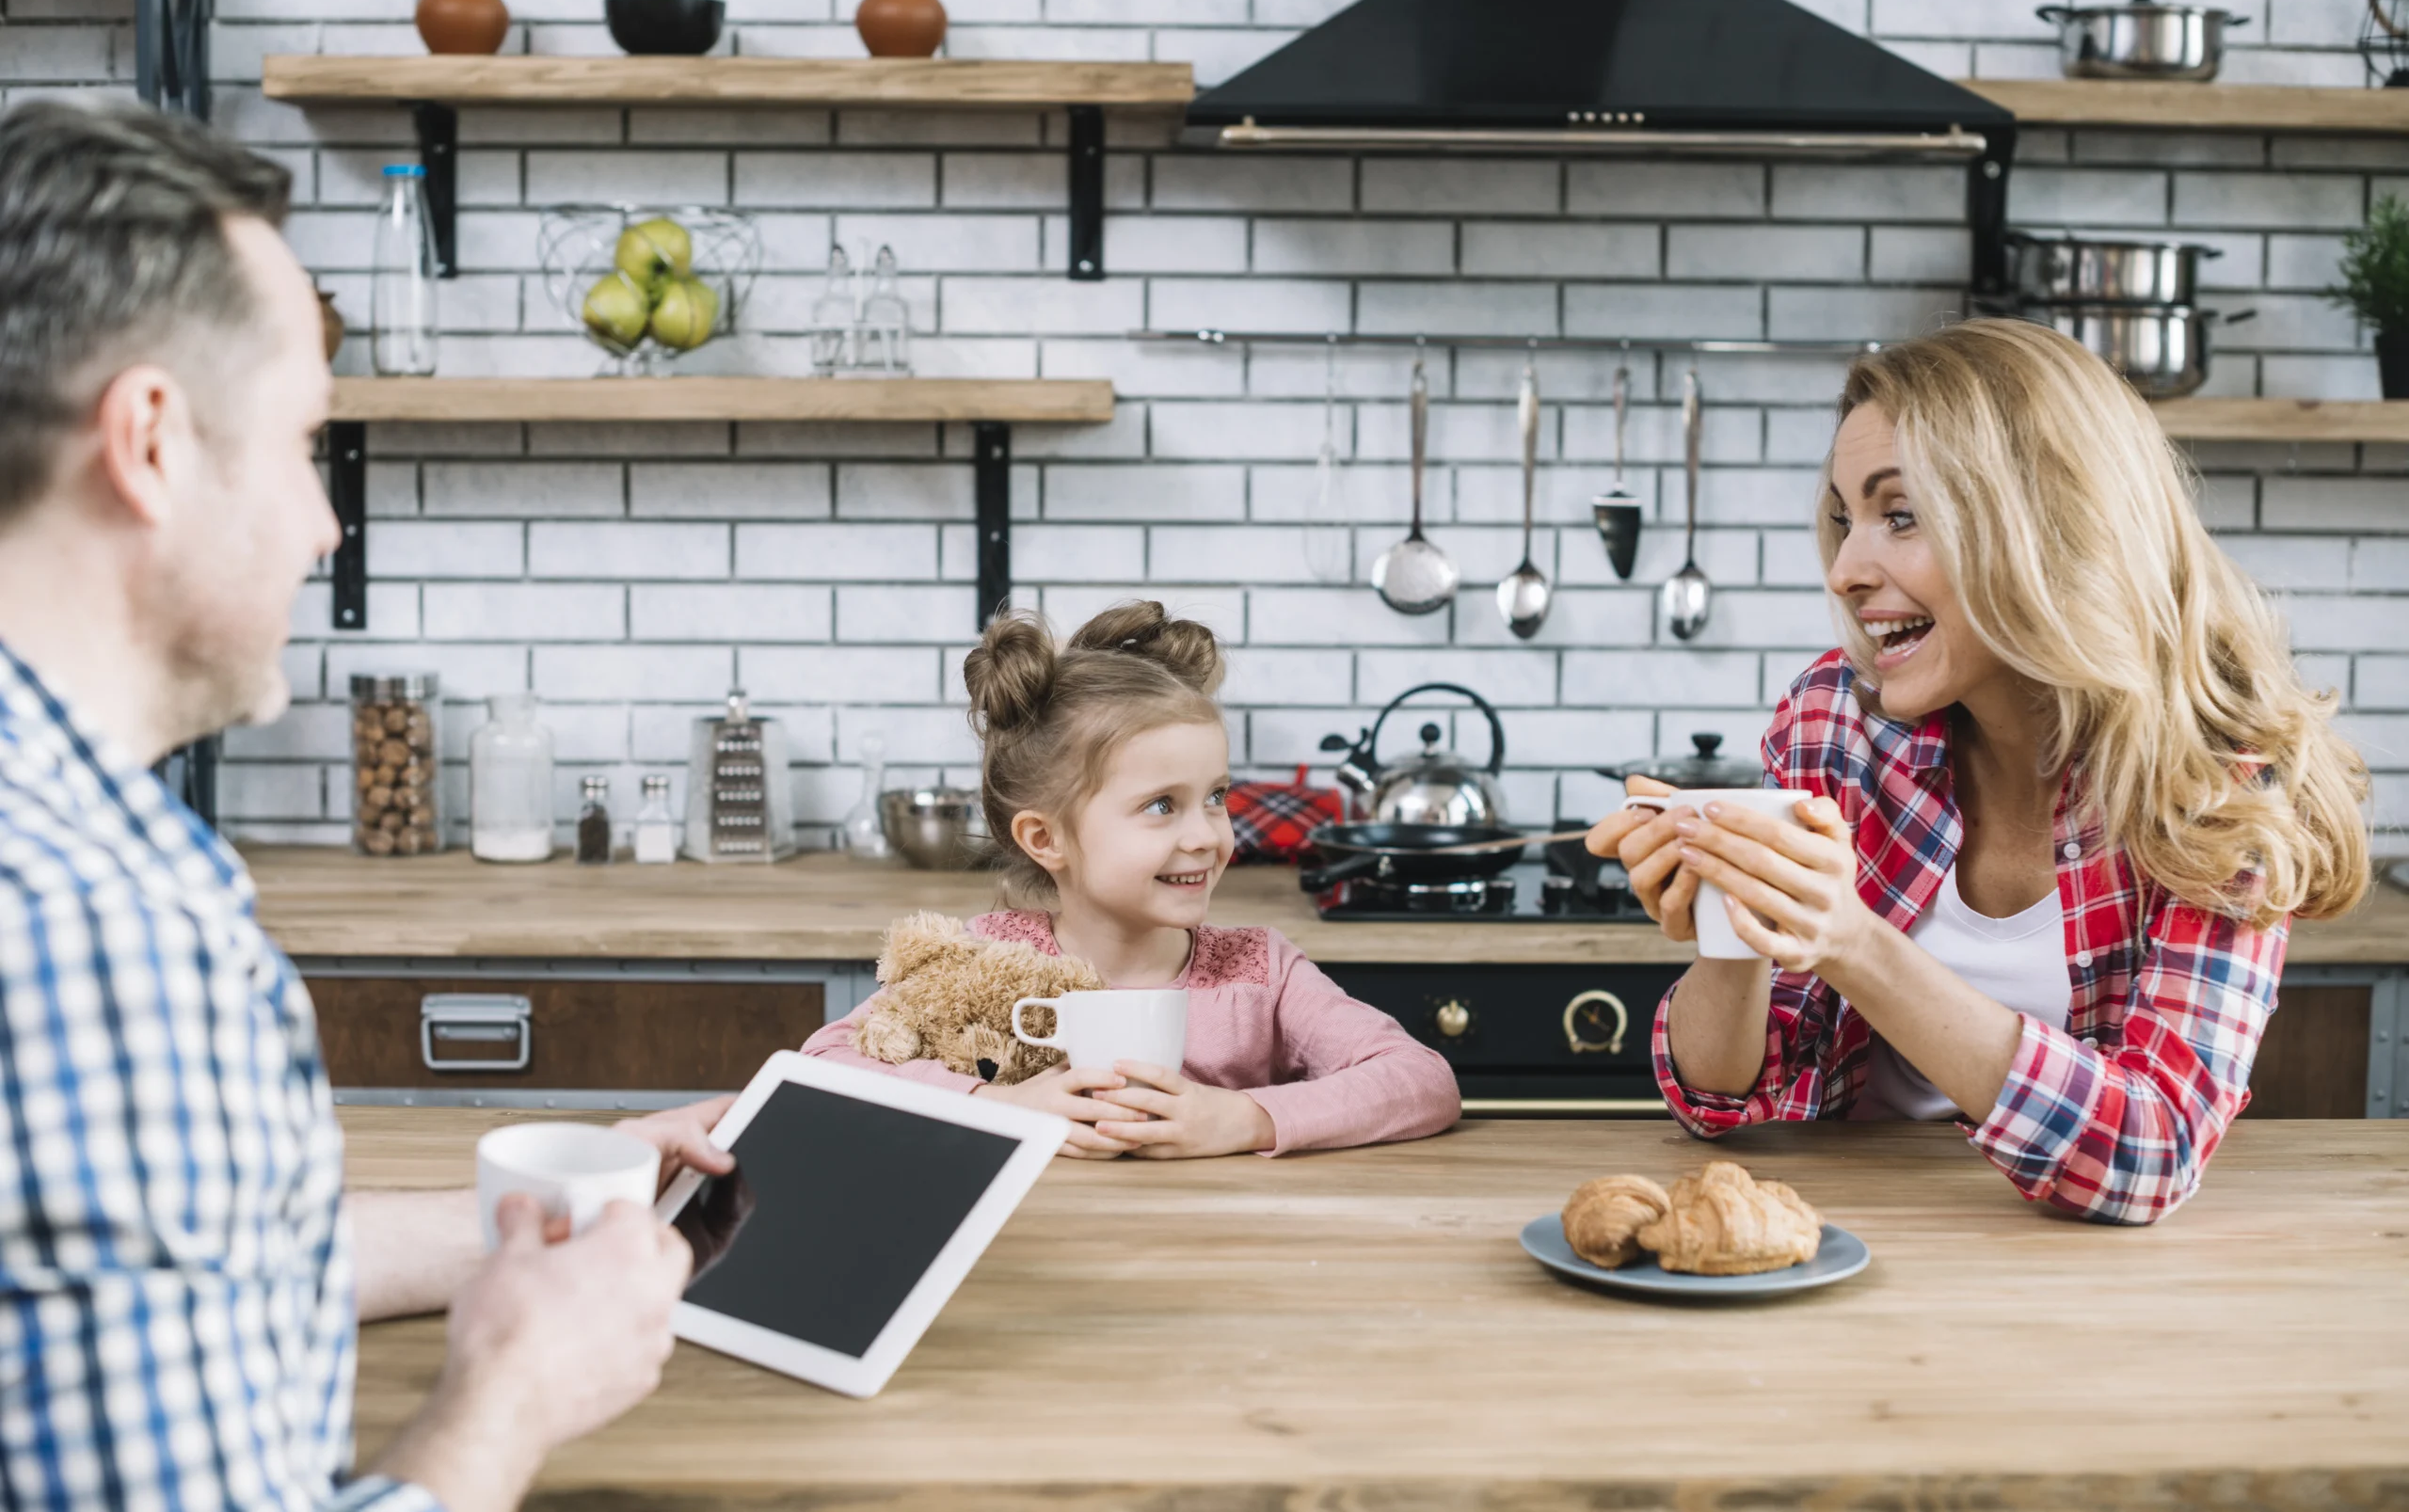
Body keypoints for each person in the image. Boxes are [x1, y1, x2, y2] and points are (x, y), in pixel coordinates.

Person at [0, 98, 737, 1512]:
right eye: (301, 442)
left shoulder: (88, 847)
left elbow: (142, 1266)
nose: (323, 522)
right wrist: (506, 1405)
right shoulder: (85, 934)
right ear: (150, 442)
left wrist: (536, 1241)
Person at [1586, 317, 2369, 1225]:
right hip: (1842, 1233)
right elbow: (1720, 1100)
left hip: (2077, 1285)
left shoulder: (2216, 788)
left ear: (2048, 524)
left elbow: (2149, 1153)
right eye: (1847, 518)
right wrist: (1736, 919)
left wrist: (1852, 940)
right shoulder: (1836, 718)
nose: (1843, 568)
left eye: (1901, 514)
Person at [804, 601, 1460, 1157]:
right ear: (1046, 838)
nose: (1207, 833)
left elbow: (1423, 1081)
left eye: (1216, 796)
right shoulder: (982, 959)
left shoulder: (1262, 972)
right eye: (1161, 805)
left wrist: (1243, 1118)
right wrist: (1000, 1103)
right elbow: (822, 1066)